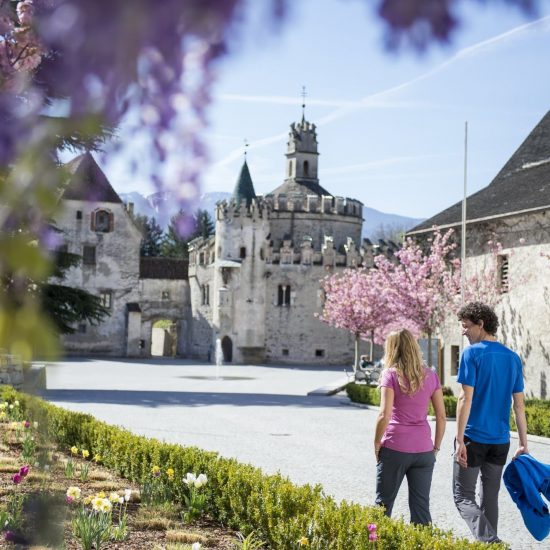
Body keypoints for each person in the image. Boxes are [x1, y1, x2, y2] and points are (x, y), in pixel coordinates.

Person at [454, 301, 529, 544]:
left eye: (466, 326)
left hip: (473, 438)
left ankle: (490, 543)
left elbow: (465, 398)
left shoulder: (472, 354)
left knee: (462, 496)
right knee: (490, 499)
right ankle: (490, 545)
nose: (463, 331)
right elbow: (519, 405)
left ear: (481, 324)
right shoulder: (512, 358)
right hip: (500, 441)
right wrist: (523, 444)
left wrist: (459, 440)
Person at [374, 329, 446, 525]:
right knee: (421, 508)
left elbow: (384, 414)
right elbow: (441, 415)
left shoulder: (390, 375)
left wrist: (376, 443)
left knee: (381, 506)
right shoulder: (431, 375)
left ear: (392, 349)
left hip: (395, 448)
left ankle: (370, 543)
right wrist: (436, 447)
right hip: (424, 451)